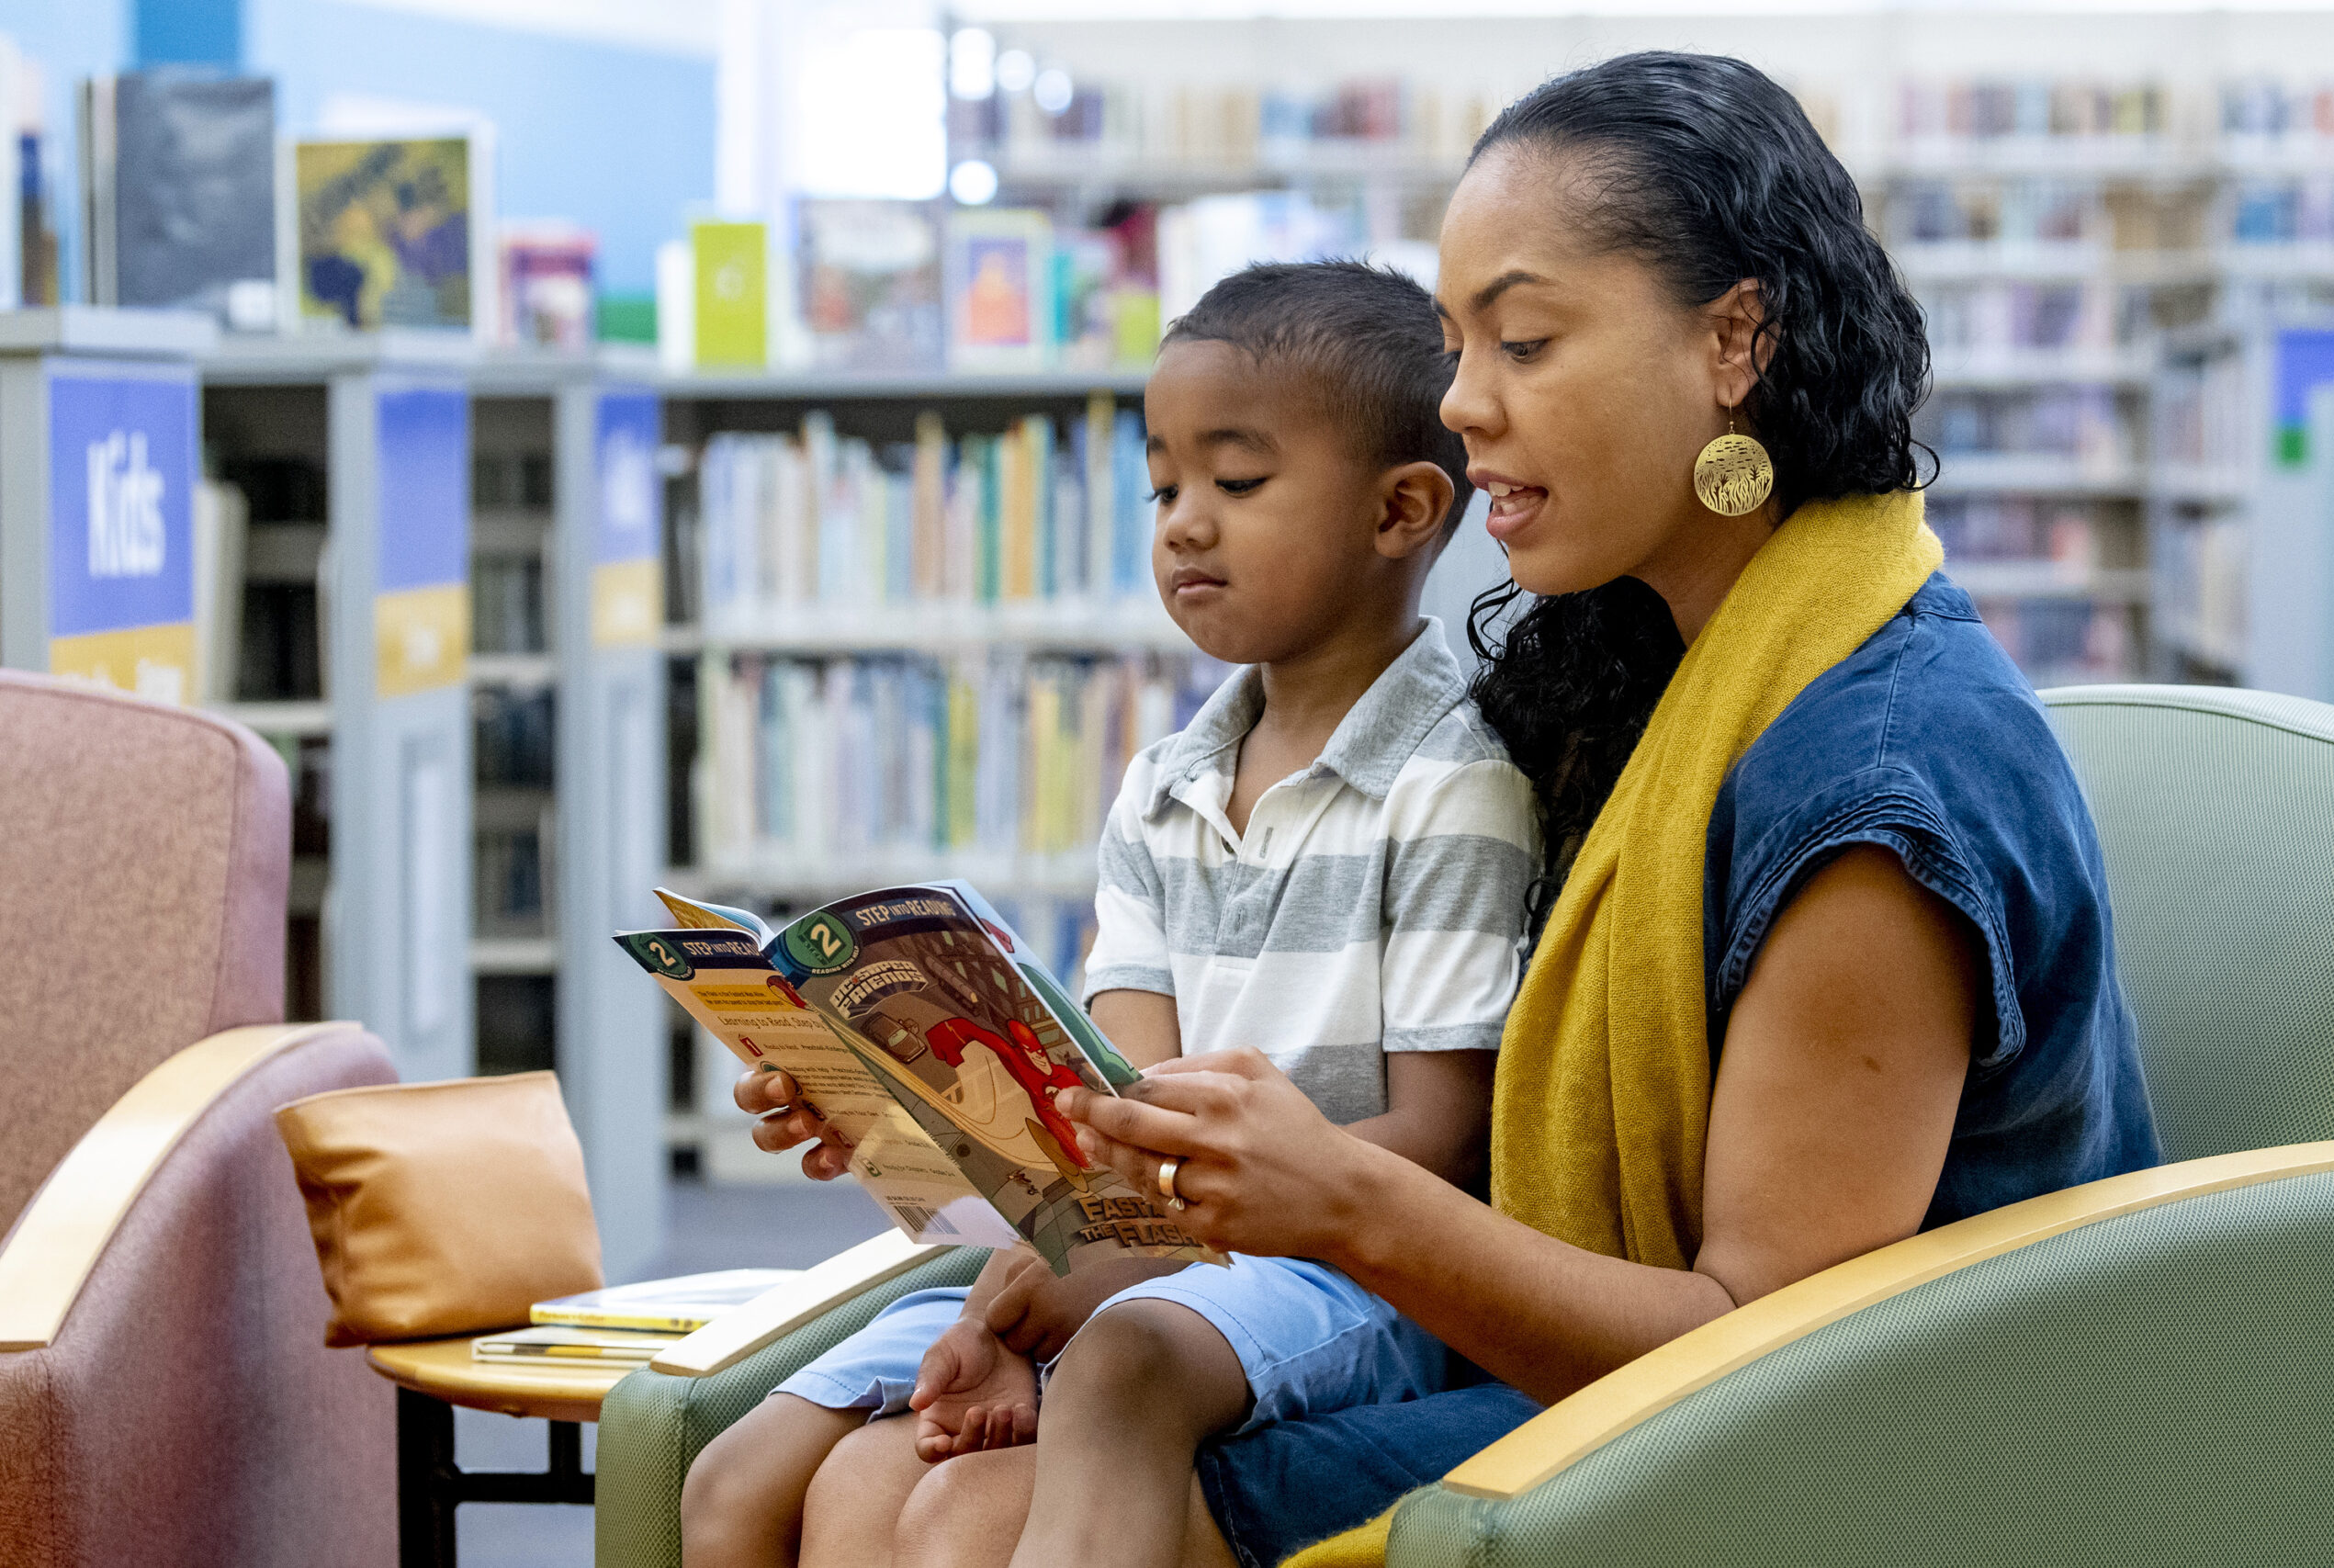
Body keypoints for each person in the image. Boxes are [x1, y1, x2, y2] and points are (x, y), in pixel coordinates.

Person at [771, 51, 2164, 1568]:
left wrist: (1349, 1202)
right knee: (867, 1485)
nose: (1459, 405)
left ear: (1735, 339)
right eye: (1453, 345)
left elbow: (1768, 1354)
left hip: (1866, 1451)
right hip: (1614, 1356)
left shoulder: (1878, 794)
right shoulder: (1658, 672)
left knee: (970, 1523)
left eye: (1526, 341)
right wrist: (952, 1131)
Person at [682, 259, 1545, 1568]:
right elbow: (1112, 1106)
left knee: (1119, 1368)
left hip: (1345, 1272)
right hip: (1151, 1249)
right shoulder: (1163, 785)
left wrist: (1121, 1273)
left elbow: (1438, 1131)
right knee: (745, 1470)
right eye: (1164, 488)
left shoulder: (1455, 784)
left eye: (1237, 484)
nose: (1183, 524)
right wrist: (895, 1123)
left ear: (1402, 511)